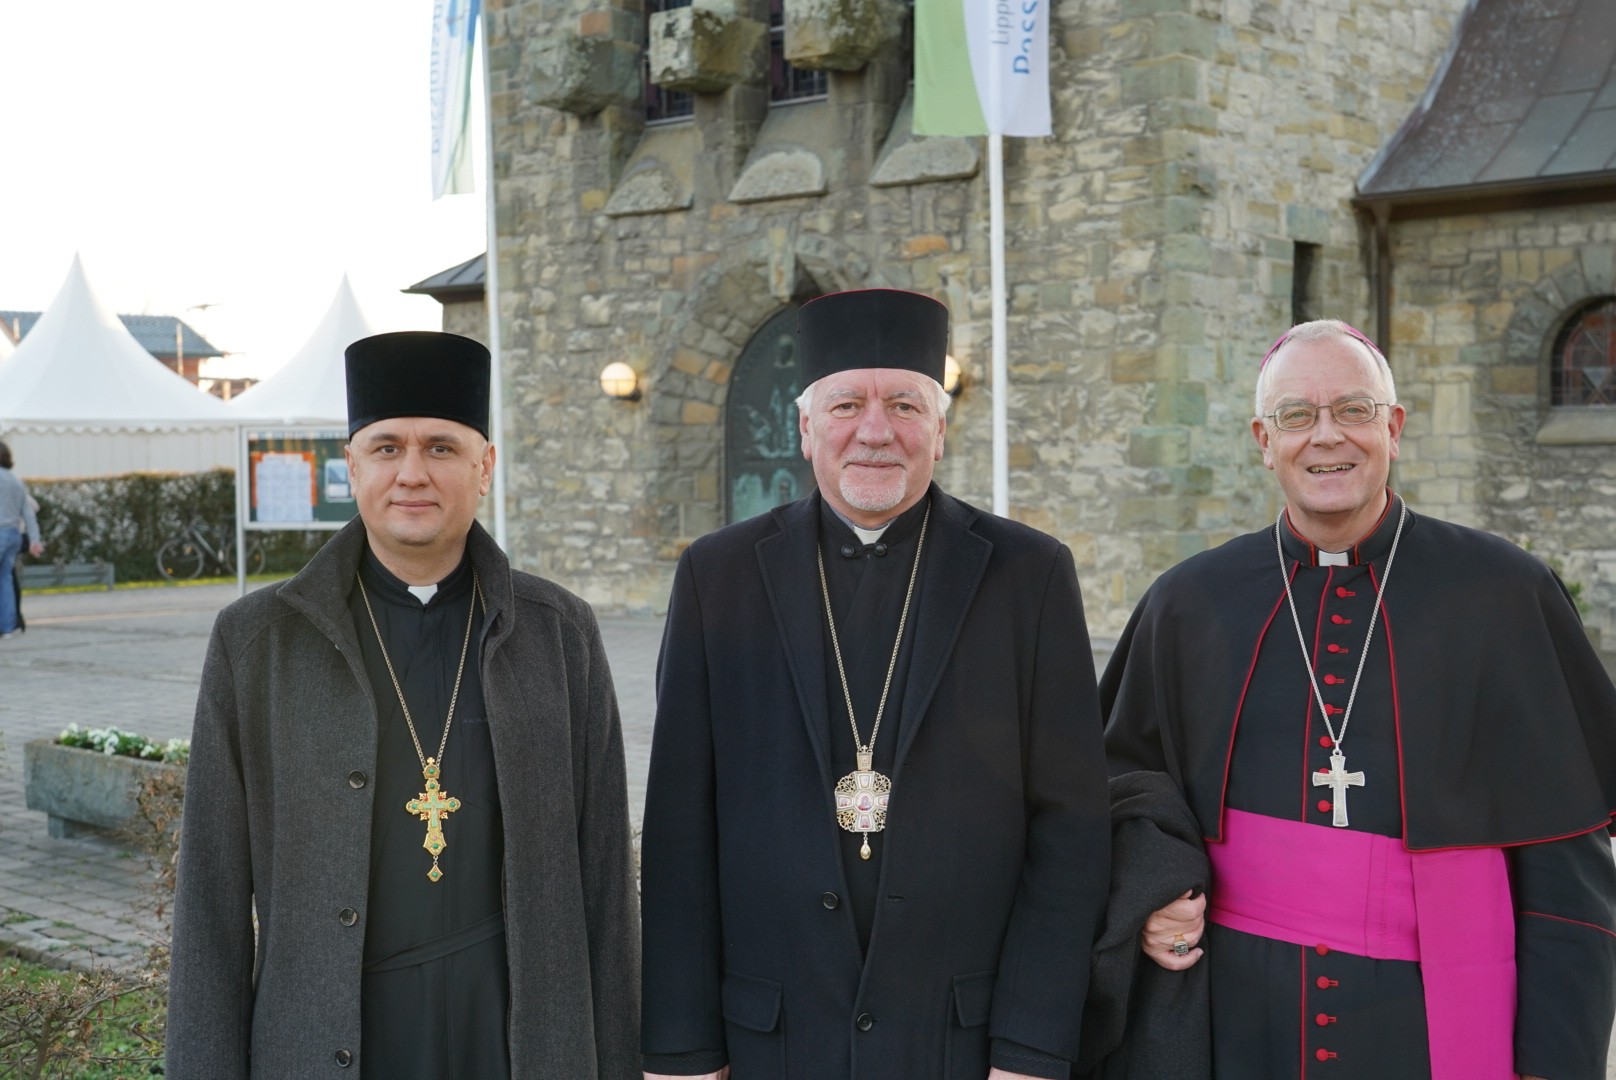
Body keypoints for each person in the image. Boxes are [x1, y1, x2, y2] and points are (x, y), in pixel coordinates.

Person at [1100, 319, 1616, 1079]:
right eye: (1297, 416)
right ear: (1262, 440)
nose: (1326, 437)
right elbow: (1119, 784)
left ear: (1395, 428)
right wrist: (1153, 889)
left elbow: (1567, 870)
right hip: (1231, 1029)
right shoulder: (1190, 604)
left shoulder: (1504, 595)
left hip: (1430, 1030)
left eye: (1353, 409)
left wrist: (1554, 1064)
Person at [640, 289, 1110, 1079]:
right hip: (772, 1037)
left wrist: (1031, 1050)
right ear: (804, 427)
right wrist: (682, 1051)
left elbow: (1069, 829)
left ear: (940, 426)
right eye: (847, 404)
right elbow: (680, 827)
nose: (875, 430)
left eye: (904, 404)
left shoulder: (1029, 574)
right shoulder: (716, 576)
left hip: (961, 1038)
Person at [168, 331, 641, 1079]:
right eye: (386, 448)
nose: (412, 474)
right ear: (350, 467)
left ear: (485, 467)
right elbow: (211, 900)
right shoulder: (259, 642)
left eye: (442, 448)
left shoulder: (559, 633)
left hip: (517, 1037)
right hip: (331, 1036)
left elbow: (607, 879)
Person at [0, 441, 44, 639]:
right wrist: (35, 539)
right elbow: (29, 512)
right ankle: (8, 627)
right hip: (13, 534)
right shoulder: (16, 481)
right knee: (5, 580)